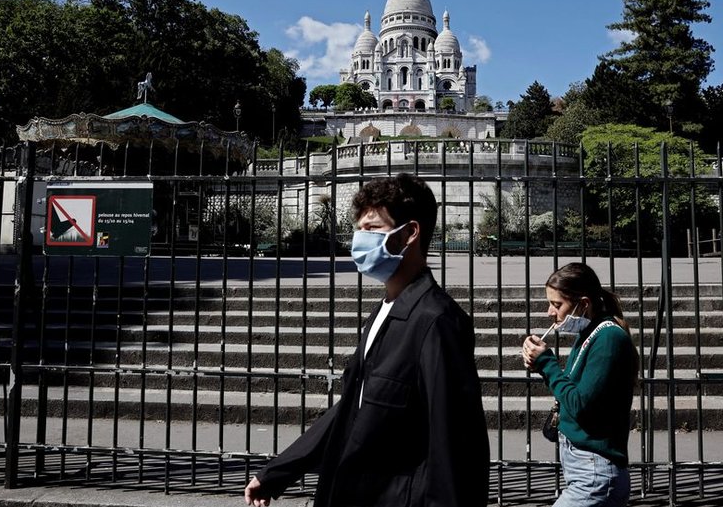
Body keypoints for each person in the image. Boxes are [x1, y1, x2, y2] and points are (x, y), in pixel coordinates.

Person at [245, 173, 489, 507]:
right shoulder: (384, 311)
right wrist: (278, 472)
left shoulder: (437, 321)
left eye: (372, 229)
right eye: (358, 228)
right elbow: (353, 409)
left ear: (410, 233)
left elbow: (456, 444)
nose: (359, 239)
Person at [521, 262, 638, 507]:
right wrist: (542, 366)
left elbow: (580, 405)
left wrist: (547, 364)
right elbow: (574, 392)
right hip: (585, 469)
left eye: (557, 304)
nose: (550, 313)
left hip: (595, 474)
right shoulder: (590, 334)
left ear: (583, 304)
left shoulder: (609, 339)